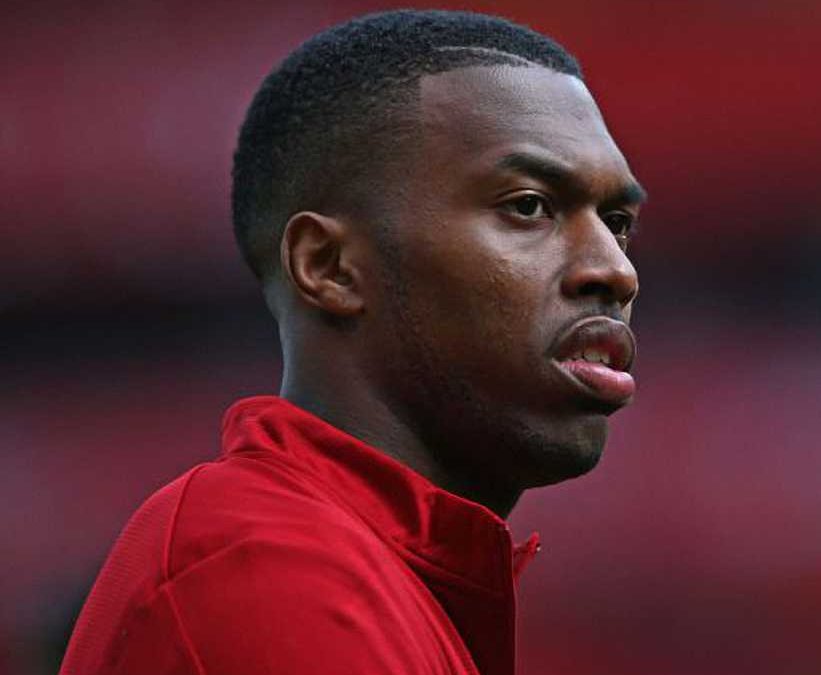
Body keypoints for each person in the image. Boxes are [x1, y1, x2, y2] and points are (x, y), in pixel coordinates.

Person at [59, 9, 643, 675]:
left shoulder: (373, 576)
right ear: (329, 267)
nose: (616, 270)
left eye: (617, 221)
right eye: (529, 206)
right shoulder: (268, 576)